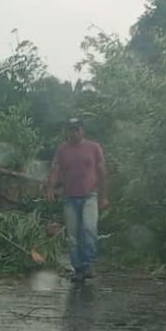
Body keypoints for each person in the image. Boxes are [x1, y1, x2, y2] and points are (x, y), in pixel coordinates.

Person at [44, 117, 108, 281]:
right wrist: (50, 188)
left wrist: (104, 197)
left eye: (76, 129)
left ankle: (88, 263)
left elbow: (102, 172)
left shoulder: (94, 147)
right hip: (70, 197)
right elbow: (55, 169)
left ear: (82, 130)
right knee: (72, 236)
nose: (73, 133)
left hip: (90, 196)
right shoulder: (62, 149)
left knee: (88, 229)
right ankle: (78, 268)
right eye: (70, 130)